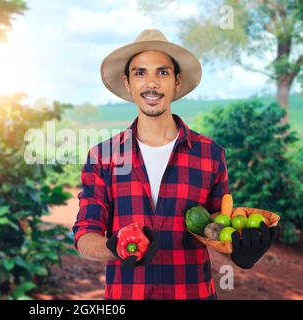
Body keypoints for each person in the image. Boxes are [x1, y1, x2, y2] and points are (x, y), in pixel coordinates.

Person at [72, 29, 275, 300]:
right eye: (140, 73)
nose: (151, 83)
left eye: (163, 72)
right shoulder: (103, 155)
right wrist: (118, 247)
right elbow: (86, 233)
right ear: (128, 83)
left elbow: (215, 231)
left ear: (177, 82)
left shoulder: (210, 155)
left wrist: (243, 253)